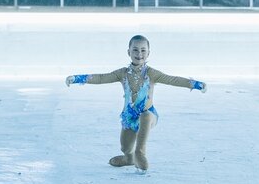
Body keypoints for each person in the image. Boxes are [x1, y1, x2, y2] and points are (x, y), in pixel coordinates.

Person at [66, 35, 206, 171]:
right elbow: (101, 78)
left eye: (143, 50)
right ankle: (129, 158)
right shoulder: (123, 73)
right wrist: (77, 78)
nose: (139, 53)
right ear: (129, 52)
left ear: (148, 53)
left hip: (149, 114)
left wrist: (196, 84)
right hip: (129, 117)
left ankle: (140, 153)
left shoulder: (151, 73)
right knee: (125, 148)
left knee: (145, 116)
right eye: (135, 50)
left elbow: (173, 80)